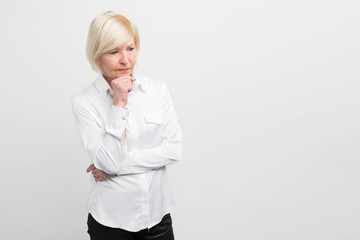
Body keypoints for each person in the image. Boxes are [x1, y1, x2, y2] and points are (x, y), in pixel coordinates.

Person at [71, 11, 182, 240]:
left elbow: (173, 150)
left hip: (157, 217)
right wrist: (119, 104)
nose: (126, 60)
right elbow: (108, 161)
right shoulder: (84, 102)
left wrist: (114, 169)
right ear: (97, 55)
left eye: (130, 49)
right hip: (110, 222)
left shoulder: (157, 90)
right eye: (114, 51)